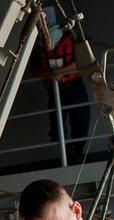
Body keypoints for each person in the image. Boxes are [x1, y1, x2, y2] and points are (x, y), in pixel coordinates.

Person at [31, 13, 91, 164]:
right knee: (57, 124)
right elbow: (35, 70)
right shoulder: (40, 50)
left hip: (74, 86)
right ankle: (66, 151)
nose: (47, 48)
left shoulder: (71, 42)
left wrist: (60, 72)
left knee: (81, 119)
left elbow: (81, 62)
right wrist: (53, 74)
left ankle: (77, 152)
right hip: (55, 88)